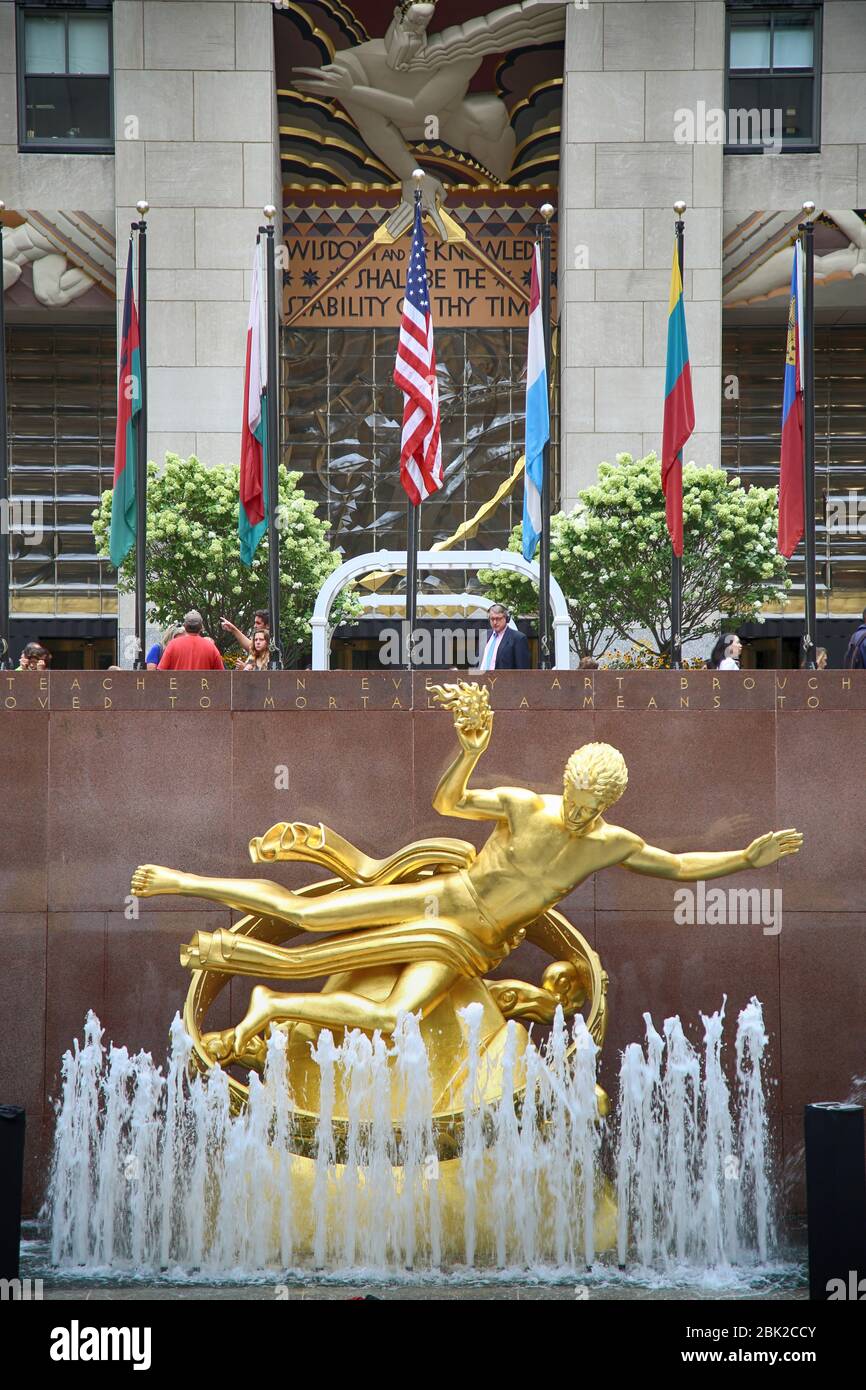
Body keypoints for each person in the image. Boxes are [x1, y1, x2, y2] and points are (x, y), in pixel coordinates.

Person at [130, 680, 802, 1058]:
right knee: (305, 914)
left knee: (391, 1017)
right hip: (438, 901)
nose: (574, 810)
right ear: (564, 784)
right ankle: (181, 882)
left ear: (609, 805)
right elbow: (447, 801)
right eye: (571, 796)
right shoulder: (523, 806)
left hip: (469, 945)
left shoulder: (612, 843)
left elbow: (680, 866)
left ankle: (271, 1005)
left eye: (589, 805)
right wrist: (470, 750)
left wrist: (745, 857)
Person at [158, 611, 225, 671]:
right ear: (201, 627)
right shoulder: (211, 647)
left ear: (184, 626)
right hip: (202, 685)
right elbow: (221, 674)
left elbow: (161, 672)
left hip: (177, 684)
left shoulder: (173, 644)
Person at [478, 604, 530, 670]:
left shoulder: (518, 638)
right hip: (481, 679)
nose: (495, 622)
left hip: (504, 680)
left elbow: (523, 670)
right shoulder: (483, 636)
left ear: (507, 619)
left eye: (498, 619)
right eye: (492, 619)